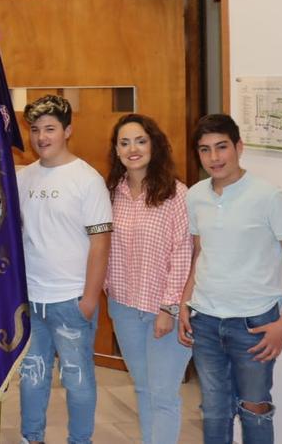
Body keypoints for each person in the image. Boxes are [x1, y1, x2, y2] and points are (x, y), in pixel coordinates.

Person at [178, 113, 282, 444]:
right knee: (214, 411)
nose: (214, 158)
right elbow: (200, 253)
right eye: (205, 150)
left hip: (255, 323)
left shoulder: (269, 196)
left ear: (239, 147)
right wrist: (184, 303)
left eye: (222, 147)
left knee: (254, 409)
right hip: (205, 320)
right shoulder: (195, 195)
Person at [16, 94, 111, 444]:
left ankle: (79, 440)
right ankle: (31, 437)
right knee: (32, 377)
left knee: (78, 378)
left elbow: (101, 244)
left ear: (68, 130)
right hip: (32, 299)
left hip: (71, 300)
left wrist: (88, 299)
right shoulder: (24, 178)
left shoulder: (87, 180)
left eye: (50, 129)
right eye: (36, 129)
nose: (42, 137)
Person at [103, 114, 191, 444]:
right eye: (124, 143)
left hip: (162, 310)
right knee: (142, 388)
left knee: (163, 394)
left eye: (140, 140)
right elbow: (101, 245)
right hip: (124, 306)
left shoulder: (176, 194)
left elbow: (183, 254)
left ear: (154, 144)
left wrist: (169, 308)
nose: (133, 149)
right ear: (116, 150)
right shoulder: (112, 192)